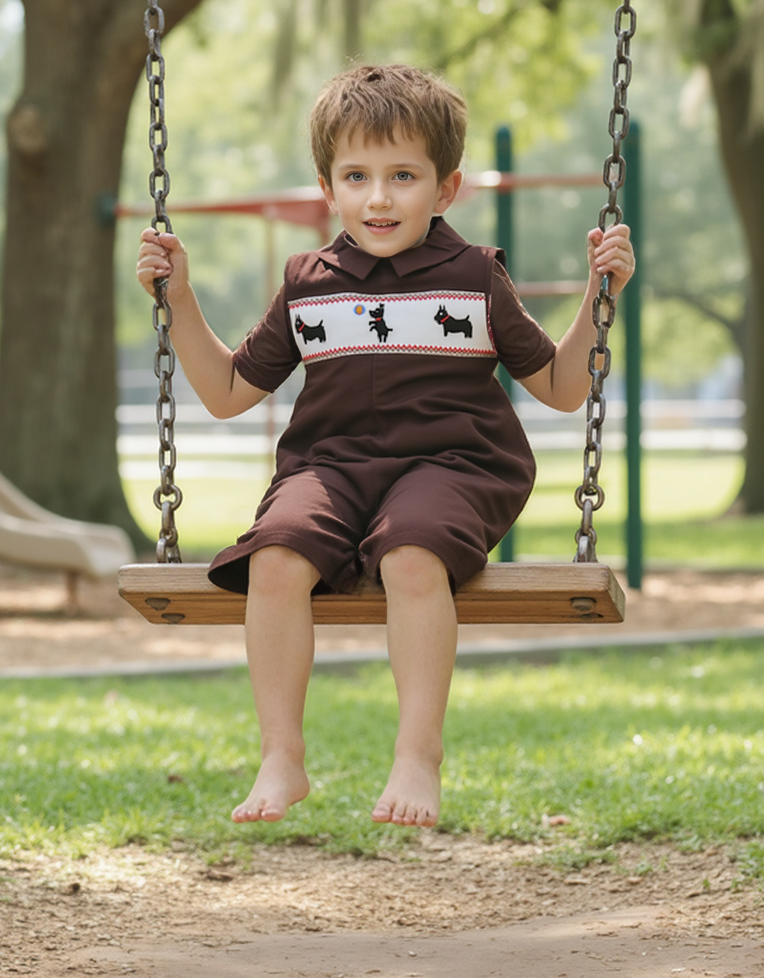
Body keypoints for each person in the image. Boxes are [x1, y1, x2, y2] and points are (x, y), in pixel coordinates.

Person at [135, 65, 635, 829]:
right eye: (356, 176)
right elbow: (229, 391)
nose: (378, 197)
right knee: (272, 558)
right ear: (327, 187)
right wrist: (179, 298)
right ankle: (281, 754)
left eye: (403, 175)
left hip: (453, 466)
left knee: (409, 555)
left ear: (444, 190)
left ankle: (417, 753)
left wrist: (600, 300)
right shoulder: (308, 282)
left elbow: (561, 386)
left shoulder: (474, 276)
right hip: (330, 469)